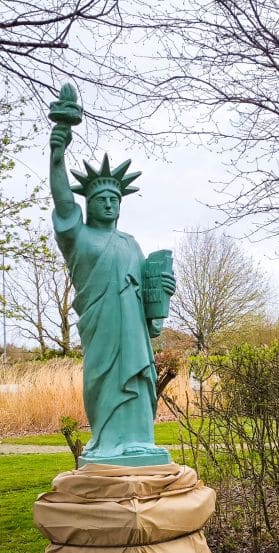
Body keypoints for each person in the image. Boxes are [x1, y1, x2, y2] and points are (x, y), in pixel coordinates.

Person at [49, 121, 175, 466]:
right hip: (102, 327)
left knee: (140, 378)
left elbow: (148, 293)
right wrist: (57, 156)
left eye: (114, 199)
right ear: (88, 203)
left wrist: (161, 292)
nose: (108, 203)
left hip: (134, 331)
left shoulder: (132, 244)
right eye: (101, 198)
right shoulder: (79, 237)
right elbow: (62, 202)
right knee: (102, 379)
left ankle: (139, 440)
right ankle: (107, 443)